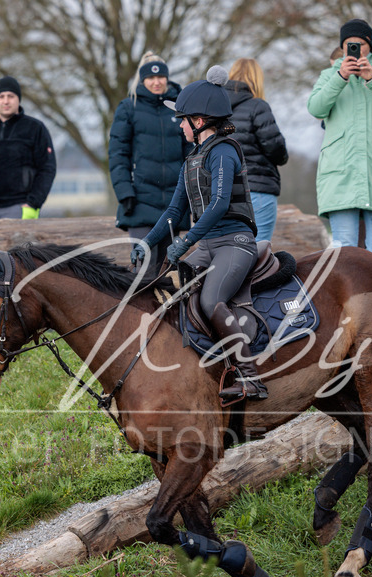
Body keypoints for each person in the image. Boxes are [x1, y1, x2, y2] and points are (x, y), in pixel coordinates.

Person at [130, 66, 267, 401]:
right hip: (207, 244)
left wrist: (184, 242)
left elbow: (220, 205)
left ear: (201, 120)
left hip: (235, 242)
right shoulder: (191, 160)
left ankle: (250, 377)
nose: (179, 125)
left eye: (183, 119)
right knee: (173, 297)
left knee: (210, 299)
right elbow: (173, 212)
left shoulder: (224, 151)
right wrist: (148, 243)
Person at [307, 18, 372, 259]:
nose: (354, 48)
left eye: (359, 44)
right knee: (343, 252)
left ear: (370, 47)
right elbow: (316, 107)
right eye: (348, 44)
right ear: (342, 48)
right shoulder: (329, 75)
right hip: (341, 174)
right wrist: (340, 78)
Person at [108, 52, 190, 280]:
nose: (156, 82)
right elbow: (118, 154)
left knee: (167, 269)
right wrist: (125, 192)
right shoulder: (128, 107)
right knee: (142, 268)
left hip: (174, 201)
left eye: (161, 77)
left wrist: (190, 192)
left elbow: (190, 152)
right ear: (142, 80)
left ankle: (165, 316)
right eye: (151, 78)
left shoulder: (180, 106)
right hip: (140, 201)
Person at [0, 76, 57, 220]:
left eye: (11, 96)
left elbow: (47, 168)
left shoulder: (35, 128)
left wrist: (33, 202)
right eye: (1, 96)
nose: (6, 101)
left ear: (19, 99)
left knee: (23, 244)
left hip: (20, 208)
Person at [226, 58, 288, 243]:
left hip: (224, 192)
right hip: (256, 189)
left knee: (230, 251)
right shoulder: (258, 106)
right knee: (258, 254)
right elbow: (276, 149)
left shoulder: (216, 109)